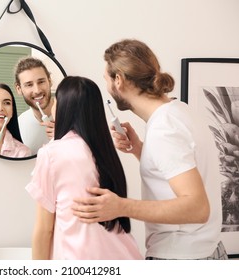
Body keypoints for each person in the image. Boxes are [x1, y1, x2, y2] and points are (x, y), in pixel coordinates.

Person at [72, 39, 228, 260]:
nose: (107, 87)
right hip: (205, 253)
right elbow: (179, 170)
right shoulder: (179, 111)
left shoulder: (165, 127)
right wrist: (140, 150)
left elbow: (197, 208)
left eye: (106, 79)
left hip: (182, 260)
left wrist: (121, 207)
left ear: (119, 80)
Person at [25, 76, 143, 260]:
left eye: (56, 101)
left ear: (65, 107)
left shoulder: (51, 154)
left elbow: (44, 230)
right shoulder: (105, 151)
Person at [14, 57, 55, 154]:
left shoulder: (73, 116)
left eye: (41, 82)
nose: (37, 90)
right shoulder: (19, 125)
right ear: (19, 89)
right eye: (29, 85)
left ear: (50, 81)